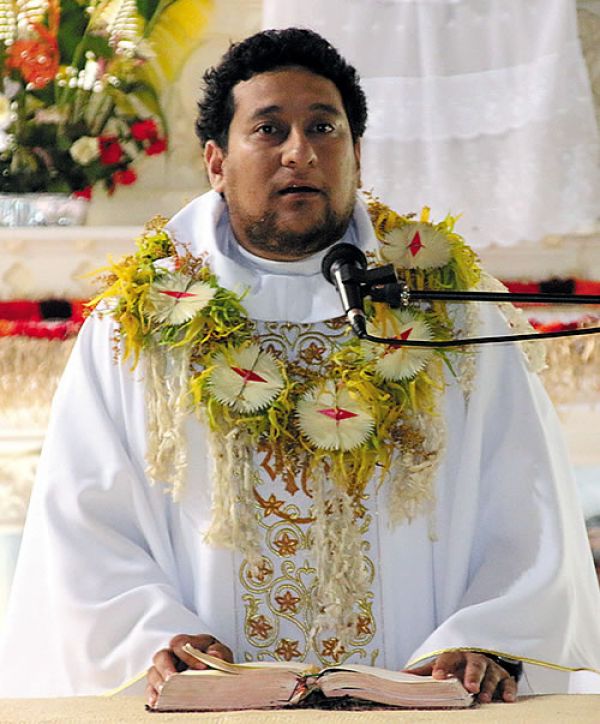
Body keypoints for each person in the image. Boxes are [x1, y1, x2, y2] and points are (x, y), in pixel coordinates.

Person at [1, 28, 600, 706]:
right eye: (269, 129)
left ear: (356, 155)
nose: (300, 152)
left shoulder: (451, 312)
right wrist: (157, 635)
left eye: (324, 127)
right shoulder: (132, 328)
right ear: (216, 162)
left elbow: (524, 495)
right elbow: (85, 518)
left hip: (420, 702)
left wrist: (483, 637)